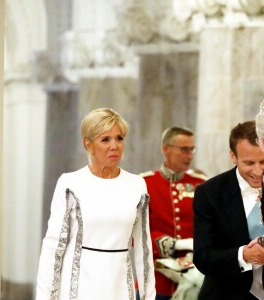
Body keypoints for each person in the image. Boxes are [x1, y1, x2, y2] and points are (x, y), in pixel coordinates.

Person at [36, 108, 156, 300]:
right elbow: (53, 247)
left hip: (120, 288)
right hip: (77, 287)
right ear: (88, 144)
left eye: (119, 138)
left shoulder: (137, 185)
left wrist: (149, 297)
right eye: (105, 139)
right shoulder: (70, 183)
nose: (114, 146)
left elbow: (144, 248)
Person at [193, 120, 264, 300]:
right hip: (226, 295)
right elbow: (203, 257)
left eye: (263, 161)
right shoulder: (209, 192)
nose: (258, 171)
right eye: (249, 162)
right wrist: (244, 255)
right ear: (233, 156)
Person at [141, 127, 206, 300]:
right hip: (157, 280)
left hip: (194, 278)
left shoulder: (202, 185)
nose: (190, 155)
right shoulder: (145, 184)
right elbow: (137, 233)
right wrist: (177, 244)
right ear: (166, 149)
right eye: (184, 149)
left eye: (192, 149)